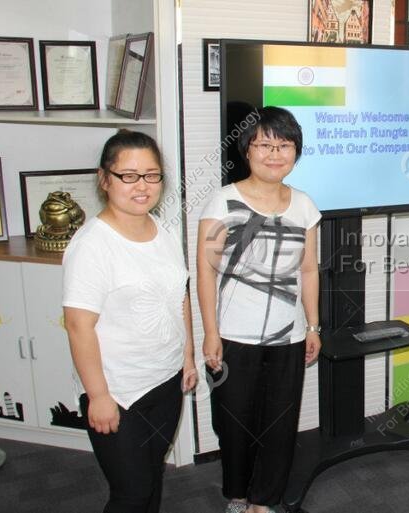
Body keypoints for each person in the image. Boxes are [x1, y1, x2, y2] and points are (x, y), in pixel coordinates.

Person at [63, 130, 198, 513]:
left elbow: (179, 296)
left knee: (151, 476)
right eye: (129, 175)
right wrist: (100, 396)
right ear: (105, 179)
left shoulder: (163, 230)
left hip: (165, 379)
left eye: (152, 175)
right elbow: (78, 326)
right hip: (119, 392)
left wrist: (186, 356)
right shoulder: (92, 245)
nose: (142, 186)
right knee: (131, 493)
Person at [197, 106, 321, 513]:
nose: (274, 153)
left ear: (295, 153)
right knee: (235, 422)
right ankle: (237, 494)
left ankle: (264, 501)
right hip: (235, 335)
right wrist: (210, 332)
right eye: (264, 144)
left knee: (280, 423)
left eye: (283, 145)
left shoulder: (303, 205)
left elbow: (308, 269)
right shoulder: (223, 201)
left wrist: (313, 326)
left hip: (288, 334)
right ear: (247, 150)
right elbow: (205, 272)